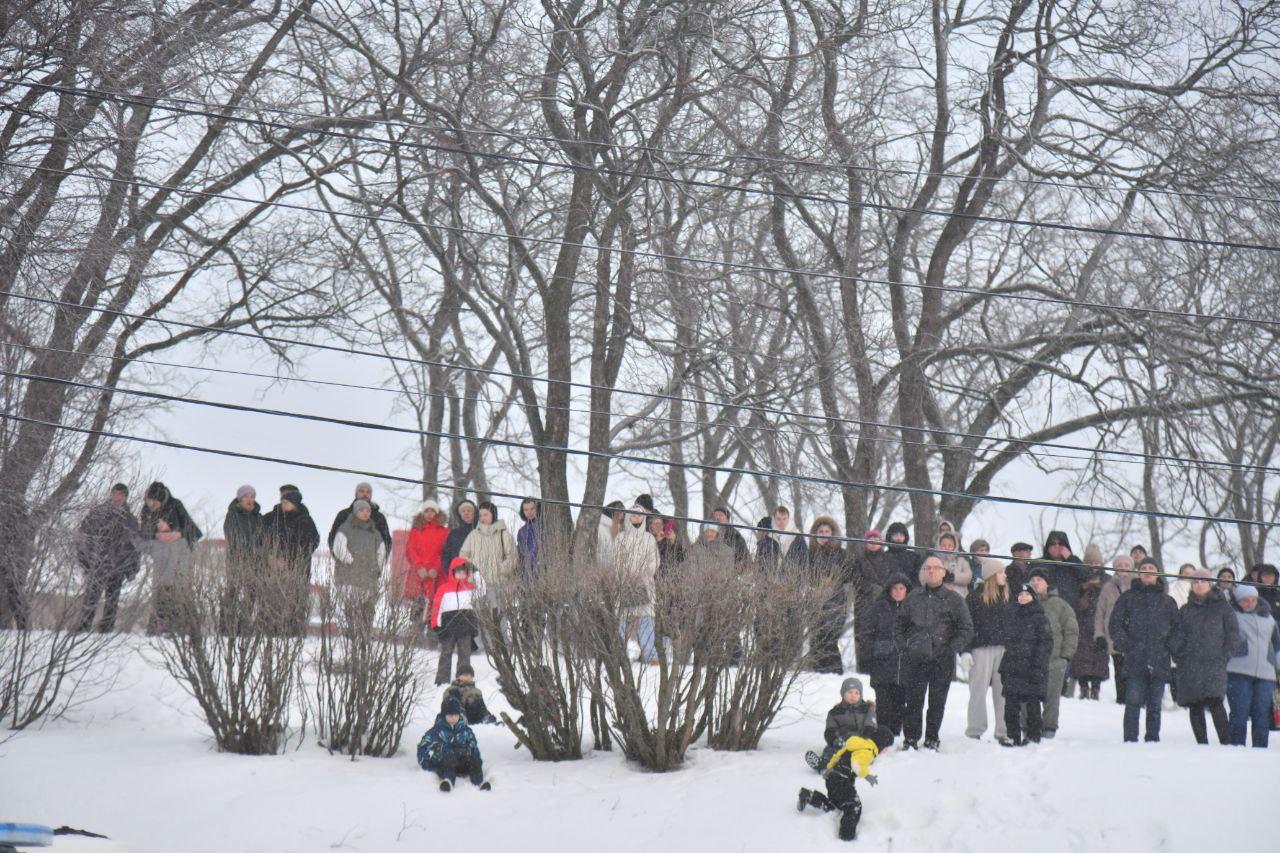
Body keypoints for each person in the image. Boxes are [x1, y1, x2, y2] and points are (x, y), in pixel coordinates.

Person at [898, 553, 974, 750]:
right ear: (924, 572)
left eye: (936, 568)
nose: (931, 571)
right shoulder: (913, 597)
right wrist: (906, 646)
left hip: (942, 658)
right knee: (913, 701)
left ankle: (932, 737)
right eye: (928, 568)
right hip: (916, 658)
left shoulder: (954, 599)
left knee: (937, 701)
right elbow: (899, 625)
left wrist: (952, 648)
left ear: (943, 572)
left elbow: (965, 628)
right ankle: (911, 738)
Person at [1109, 557, 1178, 743]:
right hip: (1134, 659)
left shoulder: (1168, 602)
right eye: (1144, 568)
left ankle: (1152, 741)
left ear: (1158, 573)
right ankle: (1130, 741)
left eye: (1151, 568)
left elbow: (1177, 631)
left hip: (1159, 660)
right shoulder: (1128, 598)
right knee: (1132, 703)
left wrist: (1168, 647)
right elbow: (1115, 625)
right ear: (1138, 573)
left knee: (1155, 705)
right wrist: (1127, 645)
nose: (1147, 571)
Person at [1170, 569, 1239, 745]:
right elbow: (1176, 636)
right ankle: (1202, 744)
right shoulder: (1185, 610)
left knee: (1216, 703)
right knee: (1195, 705)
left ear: (1210, 584)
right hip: (1190, 665)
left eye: (1203, 581)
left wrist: (1224, 655)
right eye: (1195, 582)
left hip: (1214, 664)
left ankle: (1226, 743)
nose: (1199, 584)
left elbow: (1233, 634)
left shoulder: (1223, 607)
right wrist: (1180, 655)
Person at [797, 723, 890, 842]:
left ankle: (809, 796)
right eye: (885, 748)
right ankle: (846, 835)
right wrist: (867, 776)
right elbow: (856, 765)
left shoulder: (857, 743)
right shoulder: (868, 750)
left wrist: (829, 768)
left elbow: (838, 755)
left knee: (835, 805)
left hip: (833, 777)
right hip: (842, 780)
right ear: (881, 745)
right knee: (854, 806)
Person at [138, 481, 202, 634]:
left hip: (180, 555)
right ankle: (158, 628)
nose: (152, 505)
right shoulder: (146, 510)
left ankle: (186, 627)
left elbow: (193, 531)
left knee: (179, 590)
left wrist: (174, 532)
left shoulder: (175, 505)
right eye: (149, 501)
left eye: (155, 502)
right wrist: (156, 533)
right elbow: (143, 533)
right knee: (160, 590)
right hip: (160, 555)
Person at [76, 483, 141, 632]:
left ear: (125, 497)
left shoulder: (130, 520)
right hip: (97, 564)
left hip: (118, 566)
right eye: (115, 493)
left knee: (112, 602)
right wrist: (84, 561)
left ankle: (106, 633)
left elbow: (136, 547)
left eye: (121, 495)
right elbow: (83, 537)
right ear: (111, 493)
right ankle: (82, 630)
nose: (117, 497)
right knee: (91, 599)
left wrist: (133, 568)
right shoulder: (98, 513)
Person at [260, 486, 320, 635]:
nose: (284, 504)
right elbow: (261, 539)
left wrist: (290, 559)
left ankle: (295, 633)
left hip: (298, 570)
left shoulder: (305, 520)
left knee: (296, 603)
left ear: (295, 503)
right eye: (283, 501)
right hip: (273, 569)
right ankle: (272, 632)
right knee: (274, 602)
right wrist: (270, 556)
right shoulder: (272, 518)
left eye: (288, 502)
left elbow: (311, 542)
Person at [1226, 585, 1280, 747]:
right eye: (1245, 600)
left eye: (1252, 600)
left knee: (1262, 714)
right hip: (1238, 670)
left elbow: (1277, 645)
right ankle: (1236, 747)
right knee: (1239, 713)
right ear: (1237, 601)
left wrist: (1277, 668)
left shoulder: (1269, 618)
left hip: (1266, 673)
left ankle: (1260, 748)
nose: (1249, 603)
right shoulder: (1231, 616)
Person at [1000, 582, 1053, 746]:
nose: (1023, 597)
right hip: (1012, 667)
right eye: (1020, 595)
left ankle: (1033, 736)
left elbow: (1045, 644)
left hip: (1032, 668)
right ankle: (1012, 735)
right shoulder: (1011, 615)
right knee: (1010, 706)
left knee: (1032, 705)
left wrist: (1038, 667)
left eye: (1027, 594)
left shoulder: (1040, 618)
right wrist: (1005, 667)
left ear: (1033, 597)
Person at [1028, 568, 1078, 738]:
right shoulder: (1023, 602)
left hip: (1054, 659)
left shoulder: (1060, 605)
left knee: (1052, 697)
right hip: (1028, 659)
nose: (1035, 583)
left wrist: (1065, 657)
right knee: (1026, 695)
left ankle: (1049, 728)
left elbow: (1071, 631)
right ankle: (1027, 727)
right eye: (1032, 579)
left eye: (1039, 579)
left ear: (1047, 583)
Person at [965, 561, 1011, 744]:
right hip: (980, 649)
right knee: (978, 691)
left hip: (1004, 649)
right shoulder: (974, 598)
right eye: (1001, 572)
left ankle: (1004, 730)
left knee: (1003, 693)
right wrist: (965, 651)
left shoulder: (1008, 597)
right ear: (992, 575)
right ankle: (974, 730)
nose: (1004, 576)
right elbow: (967, 626)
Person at [804, 677, 893, 770]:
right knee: (831, 749)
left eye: (856, 693)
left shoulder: (867, 709)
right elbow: (830, 729)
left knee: (883, 733)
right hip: (845, 741)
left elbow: (871, 723)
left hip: (863, 739)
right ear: (843, 693)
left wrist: (866, 734)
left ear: (860, 695)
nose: (853, 695)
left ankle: (861, 757)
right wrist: (834, 739)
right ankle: (823, 763)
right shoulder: (836, 712)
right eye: (850, 692)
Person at [614, 503, 660, 662]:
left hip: (644, 585)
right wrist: (626, 575)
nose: (636, 518)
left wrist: (644, 574)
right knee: (622, 621)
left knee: (646, 621)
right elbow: (616, 561)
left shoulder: (649, 538)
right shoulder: (620, 537)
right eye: (633, 515)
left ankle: (650, 655)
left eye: (639, 515)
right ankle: (620, 653)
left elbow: (654, 561)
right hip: (625, 584)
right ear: (628, 517)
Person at [808, 516, 854, 674]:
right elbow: (804, 576)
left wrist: (833, 578)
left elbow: (848, 576)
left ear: (833, 533)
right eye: (820, 531)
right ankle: (818, 673)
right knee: (816, 640)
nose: (824, 534)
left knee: (830, 639)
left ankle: (835, 674)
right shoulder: (810, 554)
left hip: (836, 602)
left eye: (827, 531)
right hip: (815, 602)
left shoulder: (841, 553)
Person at [416, 695, 490, 792]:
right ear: (444, 715)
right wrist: (427, 764)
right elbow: (423, 746)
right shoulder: (437, 731)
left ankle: (479, 782)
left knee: (473, 760)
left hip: (462, 763)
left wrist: (476, 760)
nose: (453, 718)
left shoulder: (466, 731)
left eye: (456, 715)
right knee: (449, 756)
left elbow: (473, 747)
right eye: (450, 715)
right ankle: (448, 781)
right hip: (445, 765)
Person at [430, 557, 484, 685]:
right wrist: (435, 624)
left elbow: (482, 590)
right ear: (452, 572)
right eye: (458, 571)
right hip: (448, 626)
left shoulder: (470, 589)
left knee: (465, 654)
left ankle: (463, 679)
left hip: (465, 626)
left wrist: (476, 572)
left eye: (464, 572)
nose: (461, 574)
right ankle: (442, 680)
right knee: (446, 653)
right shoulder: (443, 589)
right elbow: (437, 606)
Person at [852, 530, 894, 673]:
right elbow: (856, 579)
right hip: (864, 603)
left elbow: (893, 579)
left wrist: (883, 590)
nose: (873, 542)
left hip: (885, 604)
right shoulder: (859, 560)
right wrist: (871, 588)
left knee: (883, 636)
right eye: (870, 539)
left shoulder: (889, 559)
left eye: (876, 538)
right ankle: (864, 669)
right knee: (864, 638)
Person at [1096, 555, 1135, 704]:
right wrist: (1099, 634)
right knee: (1119, 668)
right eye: (1120, 564)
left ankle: (1134, 698)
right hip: (1113, 633)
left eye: (1126, 564)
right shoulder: (1108, 587)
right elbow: (1100, 612)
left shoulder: (1137, 585)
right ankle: (1121, 698)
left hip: (1133, 635)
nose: (1123, 567)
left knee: (1133, 669)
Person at [405, 500, 449, 624]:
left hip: (436, 575)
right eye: (426, 510)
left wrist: (436, 568)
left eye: (432, 511)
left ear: (437, 513)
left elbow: (445, 552)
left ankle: (432, 635)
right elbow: (410, 550)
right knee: (417, 607)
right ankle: (415, 636)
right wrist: (419, 567)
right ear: (422, 513)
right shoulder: (415, 531)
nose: (429, 513)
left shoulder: (444, 532)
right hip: (419, 575)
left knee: (435, 606)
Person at [460, 501, 518, 595]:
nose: (482, 518)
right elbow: (463, 555)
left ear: (493, 515)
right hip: (476, 586)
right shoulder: (473, 535)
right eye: (480, 515)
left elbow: (512, 556)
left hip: (499, 585)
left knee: (498, 609)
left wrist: (501, 570)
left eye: (486, 515)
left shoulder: (504, 534)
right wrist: (472, 573)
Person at [332, 499, 387, 594]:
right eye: (362, 510)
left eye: (368, 511)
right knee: (348, 607)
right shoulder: (345, 529)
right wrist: (352, 562)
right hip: (348, 578)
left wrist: (377, 567)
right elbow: (339, 548)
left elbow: (381, 551)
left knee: (367, 607)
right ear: (355, 511)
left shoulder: (374, 533)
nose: (365, 513)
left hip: (369, 581)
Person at [1071, 567, 1110, 699]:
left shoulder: (1107, 581)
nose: (1094, 565)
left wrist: (1098, 588)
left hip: (1101, 625)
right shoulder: (1080, 578)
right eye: (1091, 561)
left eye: (1096, 562)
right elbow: (1075, 602)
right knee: (1081, 658)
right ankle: (1083, 687)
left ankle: (1095, 688)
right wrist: (1083, 589)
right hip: (1082, 625)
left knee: (1099, 659)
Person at [326, 482, 391, 554]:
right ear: (356, 493)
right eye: (362, 491)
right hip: (346, 563)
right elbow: (333, 537)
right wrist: (339, 558)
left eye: (368, 492)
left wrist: (380, 561)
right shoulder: (344, 515)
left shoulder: (379, 518)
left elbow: (386, 541)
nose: (365, 494)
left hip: (372, 563)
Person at [1030, 531, 1087, 611]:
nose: (1057, 546)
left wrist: (1070, 558)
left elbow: (1086, 576)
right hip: (1043, 611)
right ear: (1048, 547)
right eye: (1053, 544)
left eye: (1061, 544)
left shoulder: (1072, 563)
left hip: (1069, 612)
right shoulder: (1039, 563)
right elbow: (1028, 584)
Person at [222, 485, 263, 570]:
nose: (249, 499)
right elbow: (232, 537)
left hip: (259, 564)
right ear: (240, 499)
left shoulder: (259, 517)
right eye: (245, 496)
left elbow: (265, 538)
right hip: (238, 562)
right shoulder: (232, 515)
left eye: (252, 497)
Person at [440, 498, 478, 571]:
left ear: (474, 514)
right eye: (463, 511)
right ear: (460, 515)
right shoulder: (454, 534)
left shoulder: (480, 532)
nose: (466, 513)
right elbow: (446, 555)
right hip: (458, 575)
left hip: (477, 576)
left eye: (469, 511)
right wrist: (451, 572)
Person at [936, 532, 972, 598]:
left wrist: (953, 577)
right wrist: (940, 577)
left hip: (959, 597)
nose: (946, 548)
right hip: (939, 597)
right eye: (943, 545)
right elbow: (923, 577)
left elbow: (968, 577)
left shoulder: (961, 560)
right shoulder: (934, 560)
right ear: (939, 545)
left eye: (950, 546)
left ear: (955, 546)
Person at [515, 497, 542, 584]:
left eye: (532, 509)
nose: (529, 512)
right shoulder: (521, 531)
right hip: (527, 576)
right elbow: (522, 555)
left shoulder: (545, 526)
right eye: (526, 510)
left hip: (543, 572)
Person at [596, 500, 625, 569]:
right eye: (621, 512)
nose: (623, 515)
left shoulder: (619, 531)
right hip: (600, 571)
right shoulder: (600, 528)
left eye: (623, 513)